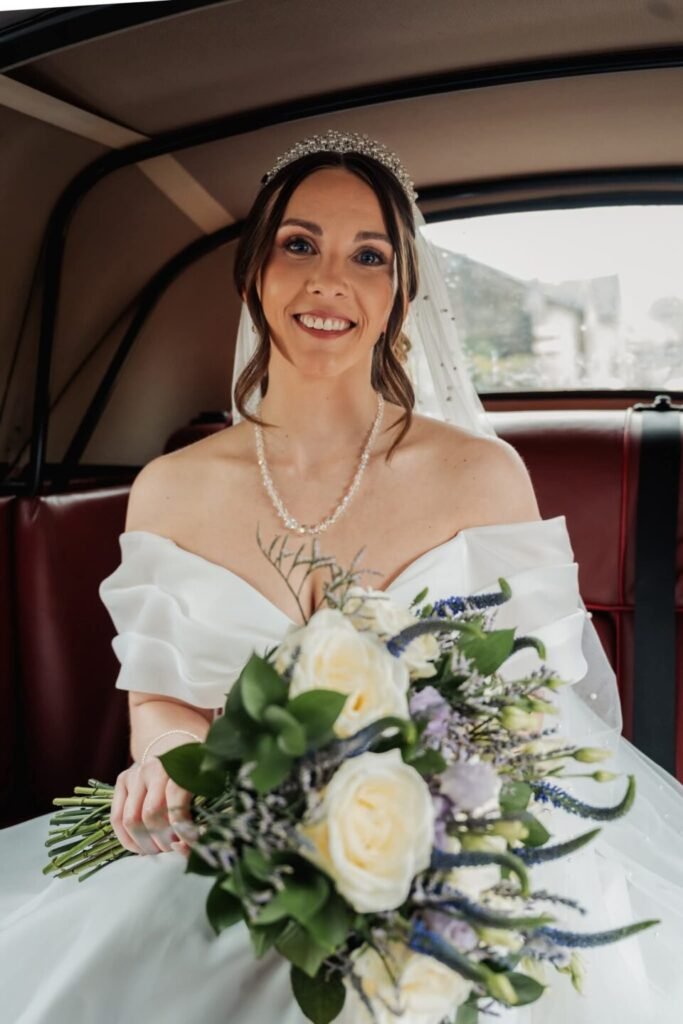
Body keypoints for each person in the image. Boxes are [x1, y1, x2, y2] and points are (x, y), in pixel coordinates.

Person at [1, 130, 682, 1024]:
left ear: (401, 294)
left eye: (369, 256)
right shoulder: (167, 489)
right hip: (231, 841)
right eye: (298, 244)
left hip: (459, 848)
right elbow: (161, 700)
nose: (330, 280)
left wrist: (420, 822)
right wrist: (165, 761)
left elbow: (541, 709)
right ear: (252, 274)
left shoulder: (482, 476)